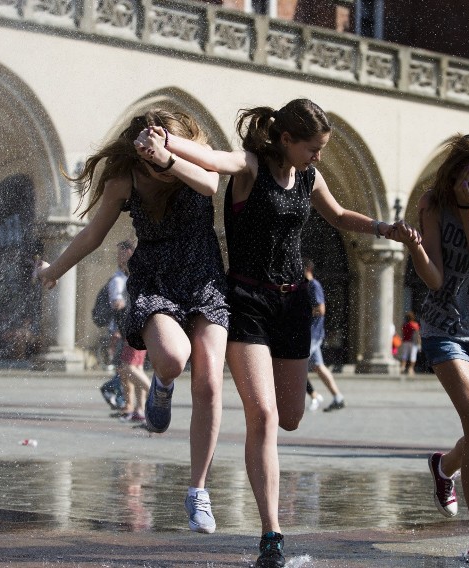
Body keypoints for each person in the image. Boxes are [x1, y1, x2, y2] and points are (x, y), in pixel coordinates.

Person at [165, 98, 409, 567]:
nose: (318, 156)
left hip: (293, 302)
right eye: (313, 148)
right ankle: (272, 534)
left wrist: (385, 228)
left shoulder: (310, 177)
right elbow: (215, 159)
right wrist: (168, 144)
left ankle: (269, 519)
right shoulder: (251, 168)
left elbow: (338, 216)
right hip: (248, 301)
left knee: (290, 417)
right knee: (263, 414)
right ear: (286, 140)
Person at [35, 109, 229, 534]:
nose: (154, 164)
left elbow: (211, 183)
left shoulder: (196, 160)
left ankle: (198, 490)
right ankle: (161, 384)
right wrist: (54, 271)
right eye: (148, 156)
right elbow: (92, 234)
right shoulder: (126, 180)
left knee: (211, 381)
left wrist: (169, 156)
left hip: (205, 278)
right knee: (174, 358)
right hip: (155, 279)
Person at [400, 131, 469, 564]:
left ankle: (443, 467)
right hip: (444, 326)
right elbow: (436, 280)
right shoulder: (432, 202)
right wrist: (415, 248)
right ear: (458, 171)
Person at [303, 259, 345, 411]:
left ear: (307, 268)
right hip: (311, 333)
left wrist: (303, 313)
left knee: (297, 366)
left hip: (313, 334)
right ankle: (338, 397)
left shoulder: (314, 285)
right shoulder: (307, 285)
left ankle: (312, 396)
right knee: (318, 367)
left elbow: (321, 309)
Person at [98, 241, 135, 411]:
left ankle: (120, 397)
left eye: (122, 253)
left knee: (127, 367)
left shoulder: (124, 278)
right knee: (125, 367)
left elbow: (119, 304)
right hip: (123, 329)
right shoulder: (119, 279)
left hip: (128, 329)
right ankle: (122, 399)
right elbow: (117, 305)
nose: (118, 258)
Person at [399, 311, 422, 376]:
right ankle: (411, 369)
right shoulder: (415, 324)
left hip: (406, 341)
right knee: (413, 355)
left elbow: (403, 332)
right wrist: (419, 343)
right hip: (413, 342)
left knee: (405, 355)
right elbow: (418, 334)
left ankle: (403, 367)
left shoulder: (404, 325)